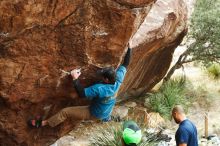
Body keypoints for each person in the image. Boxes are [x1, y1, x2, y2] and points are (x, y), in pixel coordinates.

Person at [29, 43, 132, 127]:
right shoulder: (118, 79)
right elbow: (125, 63)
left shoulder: (100, 89)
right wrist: (129, 47)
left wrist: (75, 79)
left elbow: (82, 94)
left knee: (65, 112)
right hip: (106, 109)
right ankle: (107, 118)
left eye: (102, 76)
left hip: (94, 113)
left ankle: (44, 123)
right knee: (104, 106)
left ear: (106, 79)